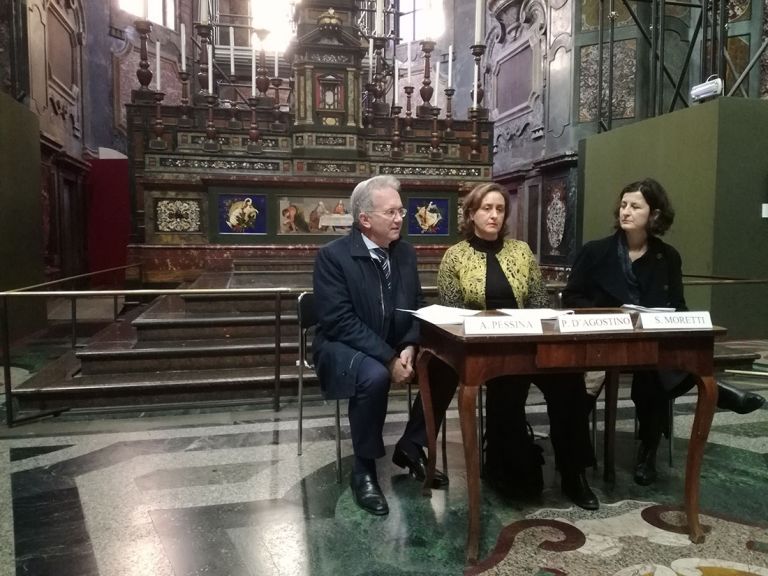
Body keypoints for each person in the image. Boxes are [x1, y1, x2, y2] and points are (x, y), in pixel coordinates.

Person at [562, 178, 765, 486]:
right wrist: (612, 314)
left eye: (635, 206)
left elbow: (678, 306)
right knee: (631, 372)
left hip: (649, 342)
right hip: (602, 338)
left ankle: (648, 451)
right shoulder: (595, 252)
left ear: (654, 215)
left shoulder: (667, 256)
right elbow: (572, 298)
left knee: (655, 370)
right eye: (623, 205)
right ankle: (717, 390)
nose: (626, 211)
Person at [436, 182, 599, 510]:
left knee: (569, 385)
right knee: (507, 393)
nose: (494, 215)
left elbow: (539, 302)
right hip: (488, 351)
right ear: (471, 213)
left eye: (499, 209)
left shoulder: (521, 251)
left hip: (531, 343)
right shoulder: (454, 257)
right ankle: (508, 467)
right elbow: (451, 313)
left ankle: (573, 473)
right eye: (486, 208)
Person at [312, 175, 454, 516]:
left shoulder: (404, 253)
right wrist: (389, 358)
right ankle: (364, 469)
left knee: (448, 364)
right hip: (341, 344)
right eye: (391, 212)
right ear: (365, 220)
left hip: (394, 342)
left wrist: (409, 345)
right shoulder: (333, 257)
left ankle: (411, 445)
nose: (400, 218)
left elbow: (414, 304)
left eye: (401, 211)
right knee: (374, 375)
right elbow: (338, 320)